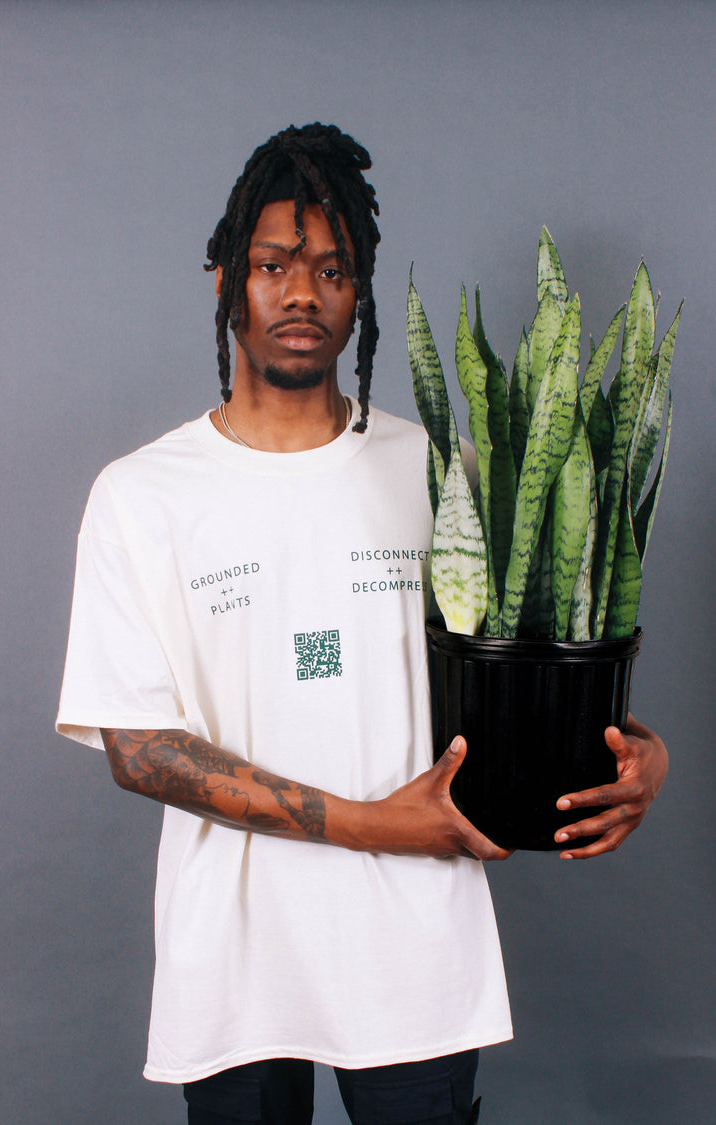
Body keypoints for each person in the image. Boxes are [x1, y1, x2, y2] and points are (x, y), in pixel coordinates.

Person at [56, 123, 668, 1125]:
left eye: (334, 269)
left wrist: (636, 754)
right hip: (235, 965)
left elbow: (543, 661)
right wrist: (380, 823)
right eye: (273, 265)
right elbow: (141, 749)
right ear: (223, 281)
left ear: (361, 292)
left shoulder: (445, 478)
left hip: (415, 953)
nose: (303, 292)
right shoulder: (141, 495)